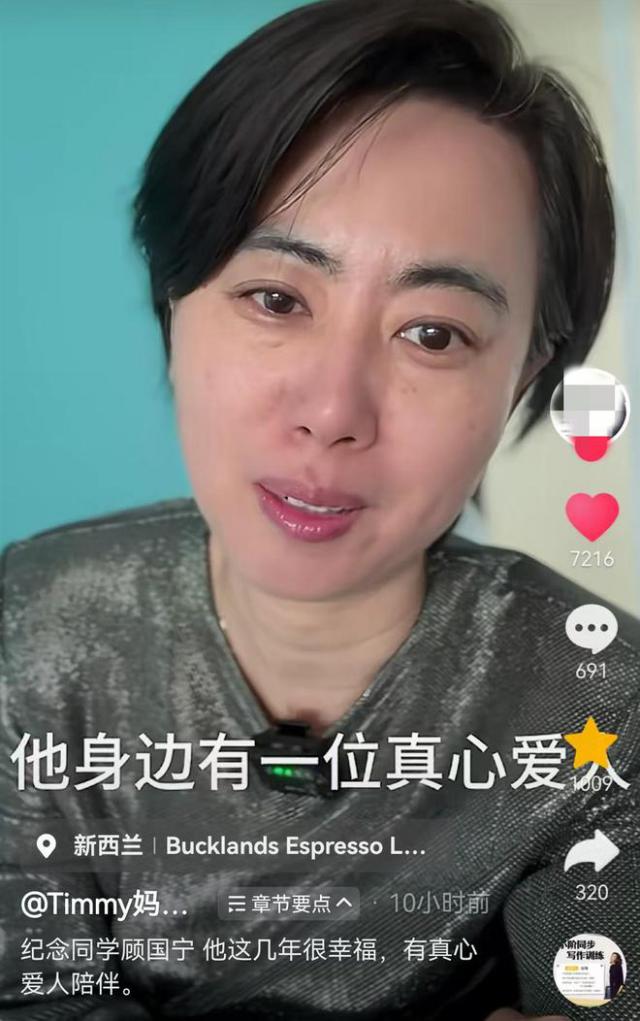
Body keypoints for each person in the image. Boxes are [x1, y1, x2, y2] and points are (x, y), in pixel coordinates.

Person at [0, 0, 638, 1018]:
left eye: (433, 333)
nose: (334, 412)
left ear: (524, 374)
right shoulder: (28, 629)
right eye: (277, 299)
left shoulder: (601, 703)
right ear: (175, 306)